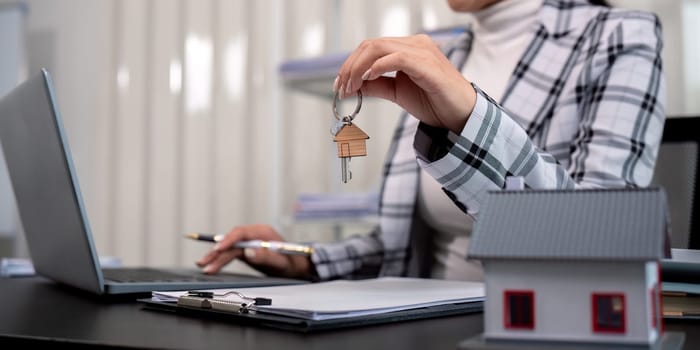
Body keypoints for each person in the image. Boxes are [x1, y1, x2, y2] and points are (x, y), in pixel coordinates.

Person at [197, 0, 666, 282]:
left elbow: (610, 240)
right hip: (422, 322)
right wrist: (302, 260)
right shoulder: (452, 52)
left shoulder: (621, 35)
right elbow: (400, 248)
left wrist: (470, 115)